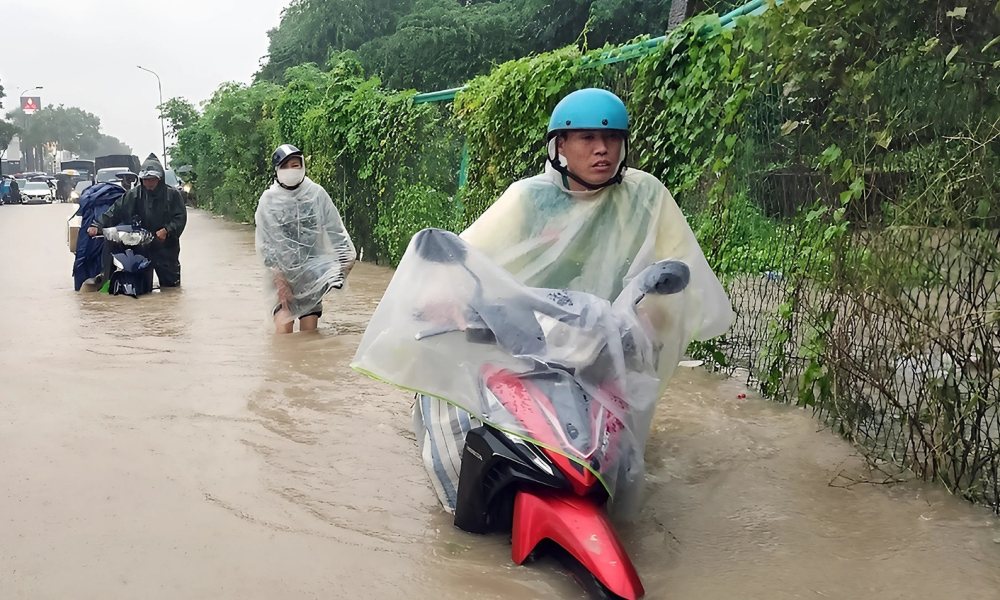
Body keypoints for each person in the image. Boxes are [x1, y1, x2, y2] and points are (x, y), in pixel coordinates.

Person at [382, 88, 734, 515]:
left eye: (612, 139)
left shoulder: (647, 196)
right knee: (461, 424)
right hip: (530, 339)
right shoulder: (529, 198)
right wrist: (443, 299)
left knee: (626, 457)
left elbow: (675, 263)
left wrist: (648, 318)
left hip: (603, 343)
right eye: (586, 138)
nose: (602, 149)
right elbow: (473, 250)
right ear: (560, 146)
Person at [254, 144, 357, 334]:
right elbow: (266, 244)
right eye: (286, 166)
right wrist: (280, 281)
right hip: (281, 274)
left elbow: (336, 231)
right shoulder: (269, 200)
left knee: (309, 336)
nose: (292, 170)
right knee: (284, 333)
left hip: (310, 274)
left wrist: (343, 265)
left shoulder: (316, 194)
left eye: (296, 165)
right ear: (277, 171)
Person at [86, 154, 187, 287]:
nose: (149, 183)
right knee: (140, 285)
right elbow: (115, 211)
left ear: (159, 179)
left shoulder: (172, 195)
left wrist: (167, 230)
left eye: (152, 179)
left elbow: (180, 218)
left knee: (171, 288)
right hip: (141, 246)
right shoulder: (133, 195)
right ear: (141, 179)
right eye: (145, 179)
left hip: (166, 247)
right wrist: (97, 225)